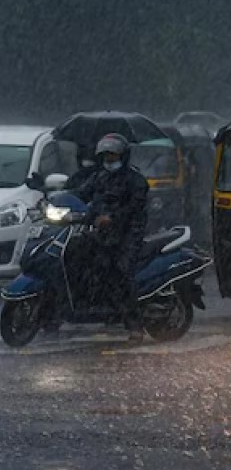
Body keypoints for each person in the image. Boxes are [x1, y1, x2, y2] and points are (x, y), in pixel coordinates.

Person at [75, 134, 149, 340]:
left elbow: (134, 207)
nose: (109, 158)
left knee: (120, 272)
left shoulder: (135, 180)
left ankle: (134, 323)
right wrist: (52, 196)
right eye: (105, 154)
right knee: (78, 256)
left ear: (123, 155)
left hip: (127, 235)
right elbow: (80, 194)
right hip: (101, 233)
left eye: (113, 154)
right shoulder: (99, 177)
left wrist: (113, 218)